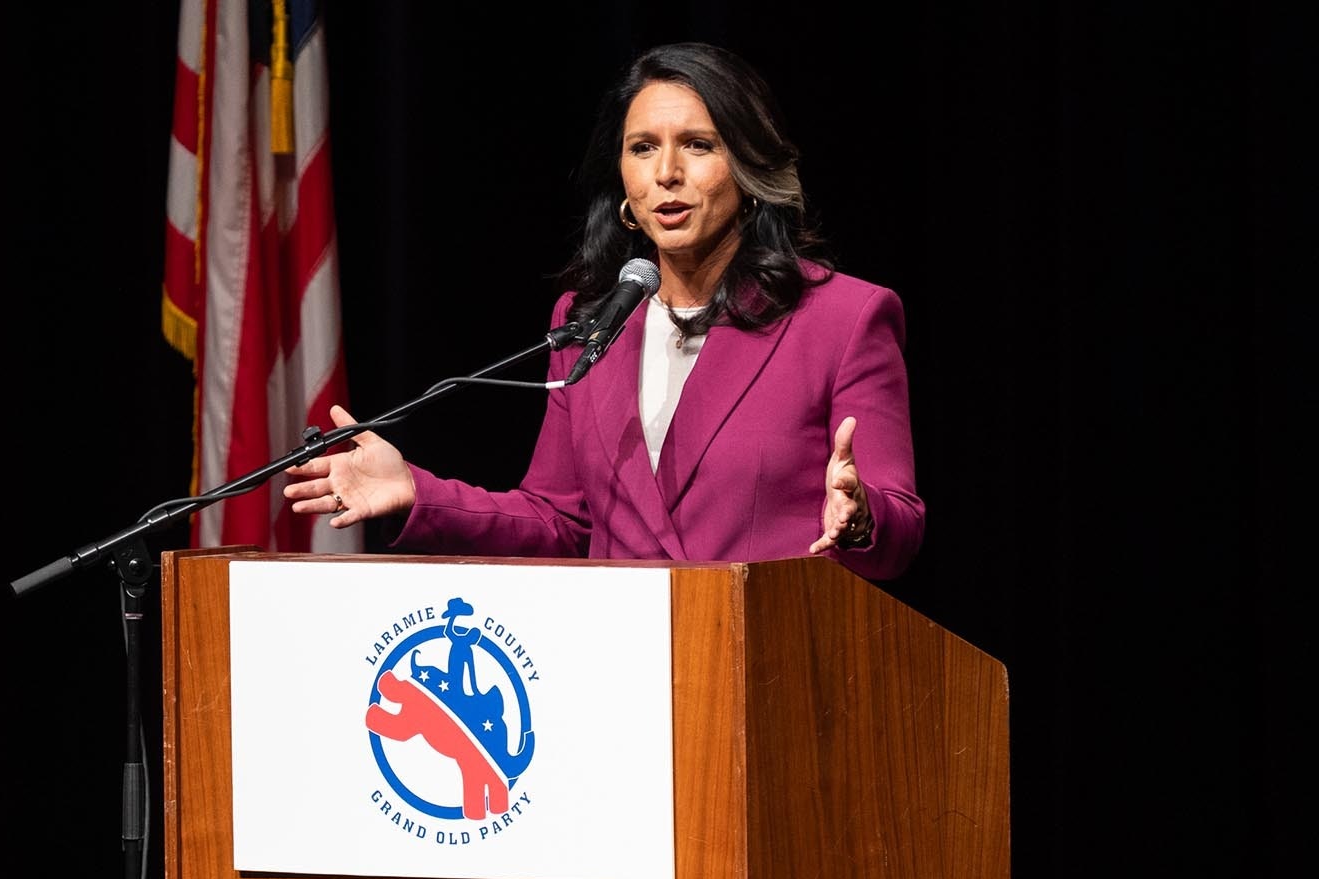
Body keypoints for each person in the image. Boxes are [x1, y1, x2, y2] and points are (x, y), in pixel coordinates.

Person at [283, 41, 923, 582]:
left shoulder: (841, 318)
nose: (666, 173)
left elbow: (900, 523)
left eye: (698, 145)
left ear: (749, 167)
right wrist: (418, 493)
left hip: (769, 676)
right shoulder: (591, 321)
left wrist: (862, 517)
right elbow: (560, 522)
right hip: (621, 682)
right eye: (642, 148)